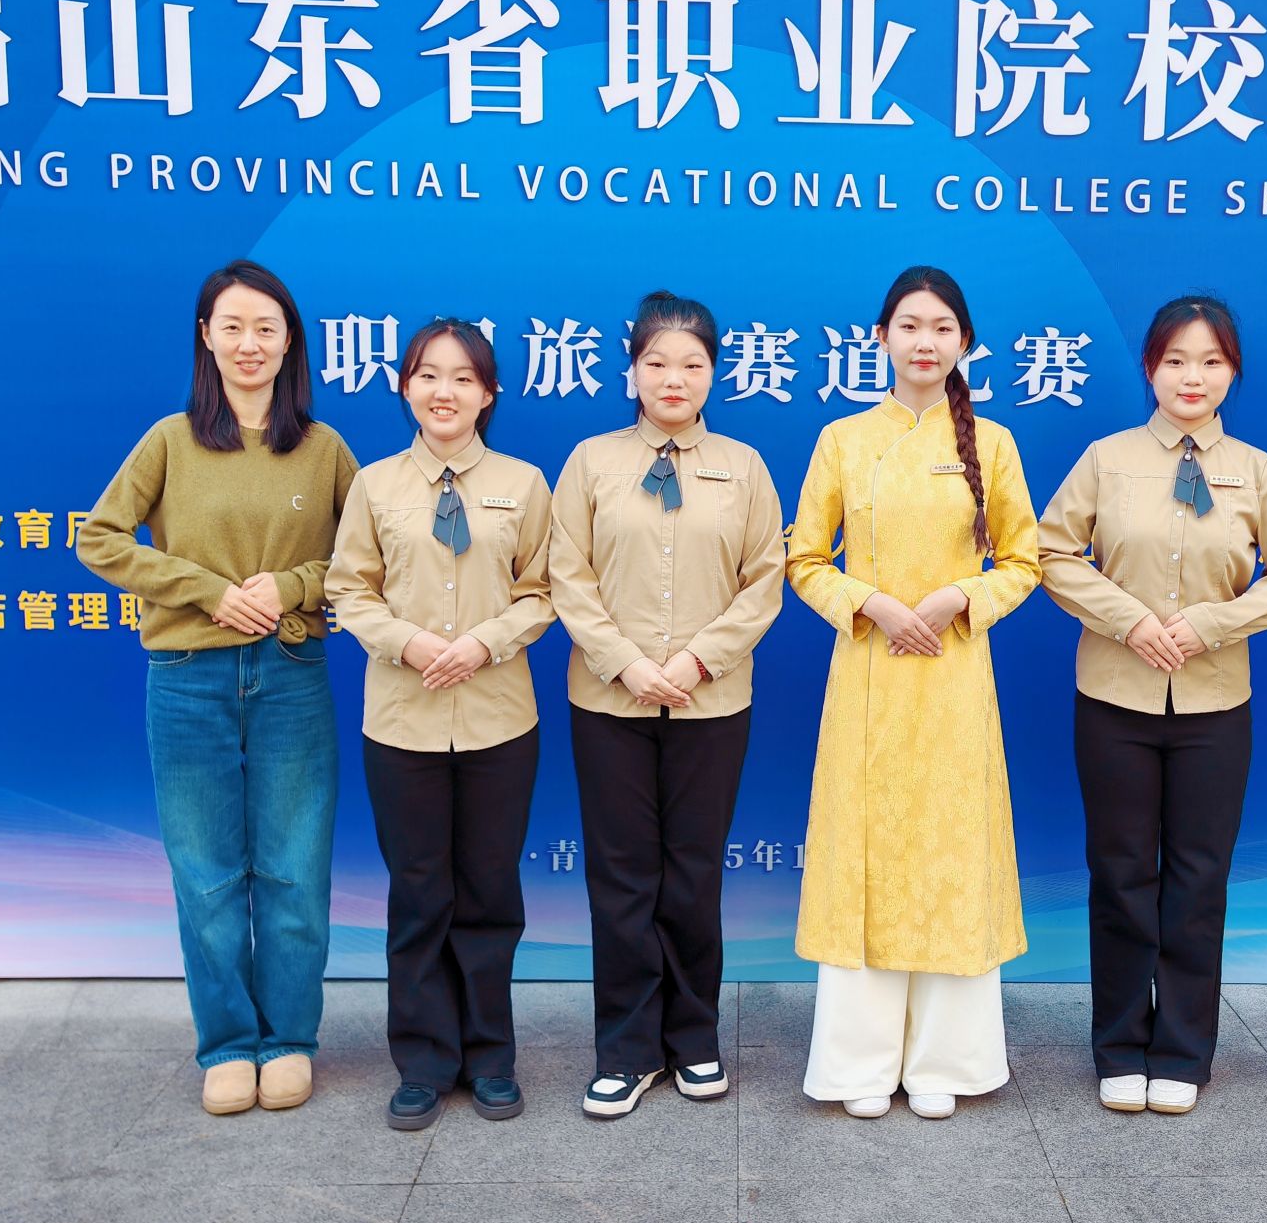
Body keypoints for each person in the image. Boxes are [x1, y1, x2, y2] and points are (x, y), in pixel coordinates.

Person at [78, 259, 356, 1116]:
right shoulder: (170, 441)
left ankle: (291, 1039)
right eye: (232, 327)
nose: (249, 344)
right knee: (205, 872)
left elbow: (367, 561)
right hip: (187, 679)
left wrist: (293, 586)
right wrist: (205, 589)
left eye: (266, 328)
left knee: (293, 870)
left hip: (291, 675)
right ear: (206, 336)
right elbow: (99, 538)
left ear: (290, 342)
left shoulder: (323, 448)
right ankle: (229, 1043)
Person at [1038, 294, 1267, 1115]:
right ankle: (1120, 1046)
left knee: (1199, 878)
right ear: (1149, 368)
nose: (1192, 377)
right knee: (1121, 873)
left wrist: (1212, 624)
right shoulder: (1107, 458)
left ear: (1233, 371)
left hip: (1215, 705)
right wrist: (1128, 620)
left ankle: (1184, 1051)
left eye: (1210, 362)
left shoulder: (1257, 470)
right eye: (1175, 361)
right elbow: (1051, 552)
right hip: (1114, 698)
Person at [786, 265, 1041, 1120]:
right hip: (868, 678)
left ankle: (945, 1061)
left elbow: (1025, 561)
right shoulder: (843, 439)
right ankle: (857, 1064)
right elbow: (804, 559)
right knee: (865, 854)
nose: (924, 342)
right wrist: (872, 604)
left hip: (953, 680)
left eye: (941, 328)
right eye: (909, 326)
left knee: (949, 854)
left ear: (965, 342)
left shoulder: (992, 443)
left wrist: (959, 597)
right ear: (881, 337)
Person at [549, 290, 785, 1118]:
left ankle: (693, 1039)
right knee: (621, 878)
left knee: (691, 875)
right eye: (656, 362)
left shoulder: (745, 467)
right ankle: (625, 1049)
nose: (673, 378)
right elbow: (566, 575)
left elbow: (765, 580)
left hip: (710, 702)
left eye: (691, 363)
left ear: (714, 374)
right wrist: (625, 663)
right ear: (632, 372)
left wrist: (694, 660)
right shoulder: (590, 462)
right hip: (607, 702)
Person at [327, 318, 554, 1130]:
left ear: (489, 393)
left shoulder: (525, 483)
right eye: (428, 375)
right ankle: (424, 1061)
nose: (444, 392)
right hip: (403, 721)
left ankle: (490, 1056)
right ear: (405, 387)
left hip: (499, 720)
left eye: (463, 378)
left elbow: (543, 590)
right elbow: (348, 588)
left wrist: (485, 643)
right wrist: (409, 642)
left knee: (490, 890)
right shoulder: (375, 485)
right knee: (419, 891)